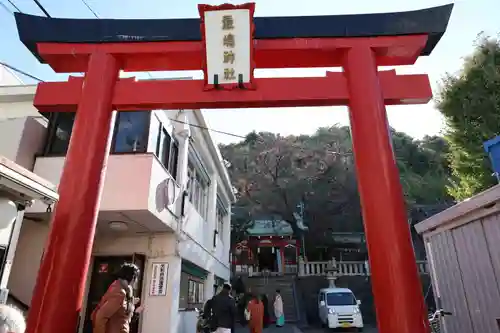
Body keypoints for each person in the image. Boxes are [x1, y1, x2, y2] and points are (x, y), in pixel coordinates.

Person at [92, 263, 143, 333]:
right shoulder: (119, 293)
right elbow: (100, 317)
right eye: (136, 278)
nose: (136, 281)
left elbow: (122, 314)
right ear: (133, 277)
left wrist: (132, 304)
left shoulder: (123, 289)